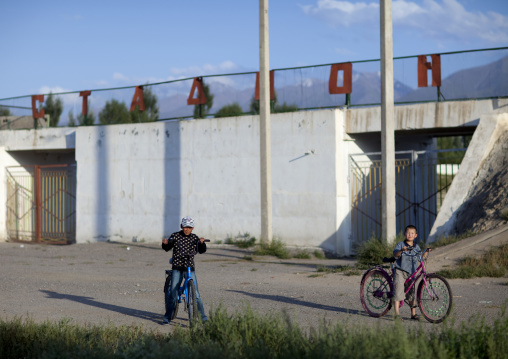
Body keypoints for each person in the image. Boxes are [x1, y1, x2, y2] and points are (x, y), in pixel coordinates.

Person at [162, 216, 208, 325]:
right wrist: (165, 243)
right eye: (185, 227)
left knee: (196, 294)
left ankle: (203, 317)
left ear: (192, 228)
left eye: (189, 227)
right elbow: (167, 247)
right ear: (181, 226)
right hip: (177, 267)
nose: (186, 229)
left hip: (189, 267)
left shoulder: (194, 238)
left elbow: (201, 250)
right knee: (173, 293)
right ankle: (167, 317)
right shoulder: (176, 236)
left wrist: (201, 243)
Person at [392, 224, 430, 321]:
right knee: (398, 292)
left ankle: (413, 314)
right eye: (408, 233)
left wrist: (425, 251)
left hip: (411, 273)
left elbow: (421, 258)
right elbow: (395, 255)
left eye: (412, 233)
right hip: (400, 271)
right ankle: (397, 314)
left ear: (415, 235)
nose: (410, 235)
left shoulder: (416, 247)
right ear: (405, 234)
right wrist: (401, 250)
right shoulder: (401, 244)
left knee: (411, 294)